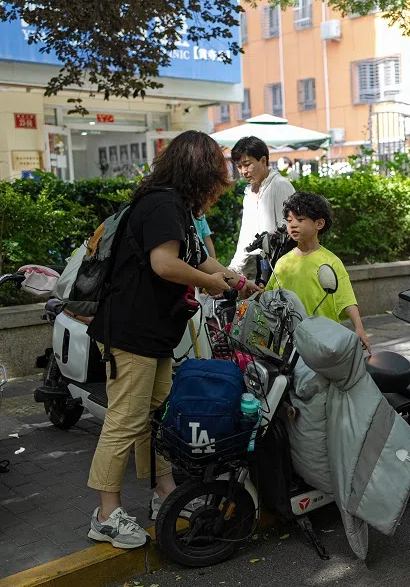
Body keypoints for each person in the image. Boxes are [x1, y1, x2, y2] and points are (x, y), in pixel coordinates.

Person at [86, 131, 261, 549]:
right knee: (126, 421)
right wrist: (211, 284)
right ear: (198, 170)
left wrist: (238, 281)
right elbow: (164, 264)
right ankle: (106, 515)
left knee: (160, 419)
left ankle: (163, 490)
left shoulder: (176, 208)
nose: (221, 180)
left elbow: (200, 259)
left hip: (154, 333)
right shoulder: (163, 204)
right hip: (129, 332)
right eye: (217, 171)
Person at [265, 192, 370, 351]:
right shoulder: (282, 263)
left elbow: (346, 299)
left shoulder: (331, 261)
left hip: (323, 343)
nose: (292, 225)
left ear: (319, 224)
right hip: (287, 345)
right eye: (289, 220)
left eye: (300, 220)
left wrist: (359, 328)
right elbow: (268, 297)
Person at [229, 137, 296, 282]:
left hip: (284, 264)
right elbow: (246, 234)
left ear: (263, 161)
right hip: (262, 264)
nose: (243, 172)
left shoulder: (280, 185)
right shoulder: (249, 193)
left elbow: (288, 230)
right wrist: (234, 268)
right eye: (239, 166)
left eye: (247, 164)